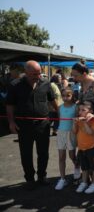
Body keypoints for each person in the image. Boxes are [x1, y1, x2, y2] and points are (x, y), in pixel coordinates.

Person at [6, 60, 58, 190]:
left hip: (43, 124)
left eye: (39, 73)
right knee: (26, 153)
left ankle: (42, 176)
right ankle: (29, 178)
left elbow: (53, 101)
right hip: (24, 125)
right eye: (34, 74)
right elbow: (10, 105)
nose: (38, 76)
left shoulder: (46, 84)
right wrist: (11, 122)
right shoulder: (15, 85)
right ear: (26, 72)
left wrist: (61, 116)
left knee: (43, 153)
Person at [71, 62, 94, 171]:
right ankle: (86, 174)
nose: (74, 77)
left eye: (76, 75)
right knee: (85, 145)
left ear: (84, 74)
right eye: (73, 75)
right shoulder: (82, 83)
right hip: (85, 121)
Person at [55, 88, 80, 190]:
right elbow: (59, 120)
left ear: (72, 96)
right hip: (61, 133)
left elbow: (78, 122)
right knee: (61, 157)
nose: (65, 98)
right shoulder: (60, 107)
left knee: (72, 155)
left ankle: (77, 167)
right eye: (63, 96)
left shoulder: (76, 107)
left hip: (71, 134)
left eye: (68, 96)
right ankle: (62, 179)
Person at [73, 101, 94, 194]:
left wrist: (84, 122)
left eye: (83, 110)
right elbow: (74, 131)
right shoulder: (79, 120)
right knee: (84, 167)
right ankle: (84, 182)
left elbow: (91, 132)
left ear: (90, 111)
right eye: (79, 110)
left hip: (91, 147)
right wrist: (74, 123)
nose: (80, 112)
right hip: (81, 148)